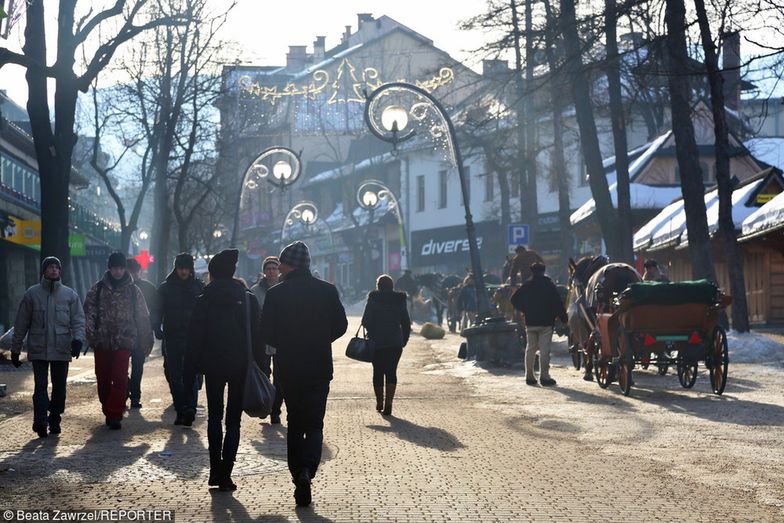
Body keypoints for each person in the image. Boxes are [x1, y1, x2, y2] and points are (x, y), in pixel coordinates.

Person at [260, 241, 348, 507]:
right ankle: (309, 469)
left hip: (289, 368)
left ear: (291, 265)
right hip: (319, 367)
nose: (280, 268)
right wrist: (321, 339)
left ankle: (298, 472)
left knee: (296, 423)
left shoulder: (277, 295)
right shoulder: (327, 291)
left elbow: (266, 332)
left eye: (283, 264)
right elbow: (341, 325)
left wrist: (285, 343)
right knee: (315, 423)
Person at [185, 249, 264, 492]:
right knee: (234, 421)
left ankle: (214, 469)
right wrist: (261, 367)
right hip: (240, 366)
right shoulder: (248, 299)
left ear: (212, 274)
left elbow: (194, 338)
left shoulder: (202, 300)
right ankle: (226, 472)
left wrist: (190, 369)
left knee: (214, 417)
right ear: (232, 273)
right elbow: (257, 337)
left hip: (213, 366)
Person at [11, 257, 85, 438]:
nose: (53, 270)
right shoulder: (32, 294)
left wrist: (78, 340)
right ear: (44, 271)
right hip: (38, 348)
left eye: (56, 267)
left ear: (60, 271)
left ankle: (55, 418)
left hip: (61, 347)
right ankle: (40, 421)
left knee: (59, 388)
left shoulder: (70, 295)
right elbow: (21, 323)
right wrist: (16, 348)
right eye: (50, 267)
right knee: (40, 387)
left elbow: (78, 320)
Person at [84, 252, 154, 430]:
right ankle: (108, 407)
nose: (118, 271)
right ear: (109, 268)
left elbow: (142, 316)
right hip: (102, 340)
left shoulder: (133, 291)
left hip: (124, 340)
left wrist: (146, 339)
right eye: (115, 268)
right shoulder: (97, 289)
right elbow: (88, 312)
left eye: (121, 268)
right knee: (103, 377)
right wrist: (90, 333)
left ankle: (115, 413)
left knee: (121, 377)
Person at [154, 253, 204, 426]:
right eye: (181, 268)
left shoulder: (198, 287)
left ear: (190, 269)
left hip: (193, 337)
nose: (183, 271)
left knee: (191, 374)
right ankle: (182, 407)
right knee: (175, 375)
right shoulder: (165, 288)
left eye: (186, 268)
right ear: (176, 268)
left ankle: (189, 408)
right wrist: (156, 327)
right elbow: (157, 310)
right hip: (172, 336)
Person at [511, 262, 568, 387]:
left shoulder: (527, 285)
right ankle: (544, 377)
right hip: (546, 323)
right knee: (544, 350)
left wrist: (525, 309)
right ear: (543, 271)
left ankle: (529, 377)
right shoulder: (549, 285)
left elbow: (514, 299)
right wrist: (564, 319)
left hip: (530, 322)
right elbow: (558, 303)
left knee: (530, 349)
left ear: (532, 271)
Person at [361, 274, 411, 416]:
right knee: (391, 372)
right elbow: (406, 323)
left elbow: (365, 321)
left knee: (378, 371)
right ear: (392, 286)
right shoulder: (400, 300)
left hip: (377, 342)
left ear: (378, 286)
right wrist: (404, 340)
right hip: (395, 343)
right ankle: (389, 403)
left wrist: (373, 330)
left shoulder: (373, 299)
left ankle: (379, 402)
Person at [250, 256, 284, 425]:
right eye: (268, 268)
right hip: (262, 338)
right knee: (264, 372)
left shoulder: (286, 288)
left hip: (282, 338)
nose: (271, 271)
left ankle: (276, 410)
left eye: (274, 268)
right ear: (264, 271)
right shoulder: (255, 290)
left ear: (279, 270)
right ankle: (266, 404)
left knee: (280, 376)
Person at [125, 257, 157, 409]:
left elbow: (154, 310)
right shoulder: (147, 287)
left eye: (133, 271)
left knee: (137, 366)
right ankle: (130, 393)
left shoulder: (147, 288)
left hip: (139, 333)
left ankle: (134, 395)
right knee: (125, 366)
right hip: (126, 334)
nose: (132, 274)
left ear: (139, 271)